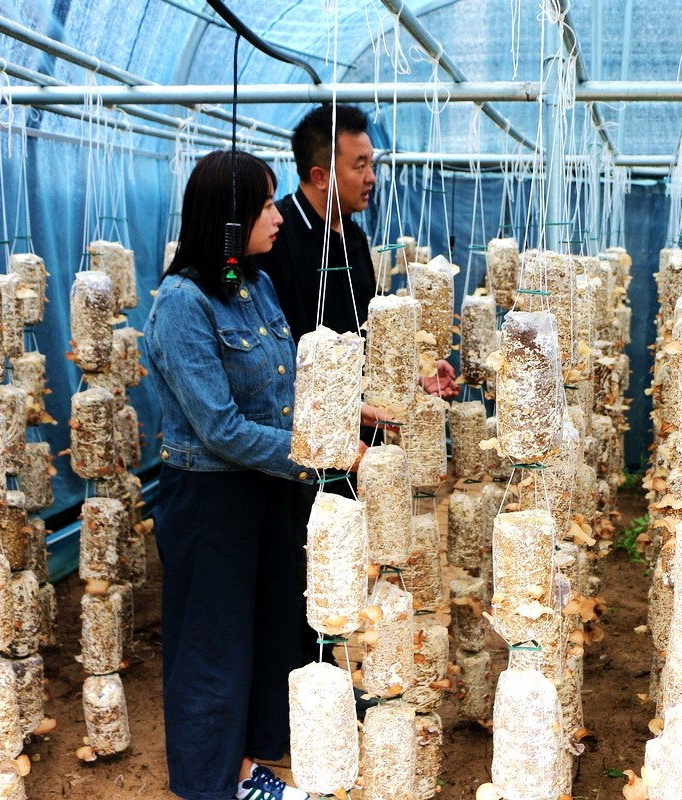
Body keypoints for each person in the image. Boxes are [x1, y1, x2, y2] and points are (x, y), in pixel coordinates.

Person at [254, 103, 457, 667]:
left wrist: (411, 379)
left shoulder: (356, 237)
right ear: (322, 174)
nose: (371, 177)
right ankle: (307, 682)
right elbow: (277, 354)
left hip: (357, 441)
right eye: (359, 165)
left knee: (348, 565)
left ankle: (337, 680)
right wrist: (341, 407)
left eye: (372, 164)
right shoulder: (279, 238)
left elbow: (366, 338)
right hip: (301, 444)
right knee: (309, 570)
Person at [145, 149, 310, 800]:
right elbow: (218, 427)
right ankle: (214, 782)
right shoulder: (182, 304)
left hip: (264, 485)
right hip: (210, 496)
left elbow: (284, 388)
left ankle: (251, 758)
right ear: (228, 220)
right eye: (266, 205)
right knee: (213, 641)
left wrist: (355, 411)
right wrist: (320, 454)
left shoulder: (254, 284)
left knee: (267, 625)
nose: (278, 216)